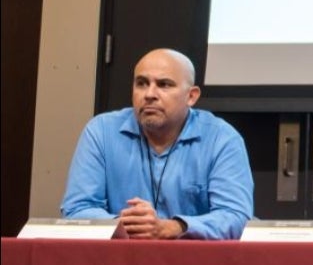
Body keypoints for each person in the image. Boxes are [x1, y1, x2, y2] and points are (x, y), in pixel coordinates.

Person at [61, 48, 254, 239]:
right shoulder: (101, 131)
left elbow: (236, 217)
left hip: (194, 264)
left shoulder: (221, 138)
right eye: (142, 83)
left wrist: (172, 227)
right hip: (120, 261)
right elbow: (77, 209)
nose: (149, 94)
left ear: (191, 96)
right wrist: (129, 225)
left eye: (164, 84)